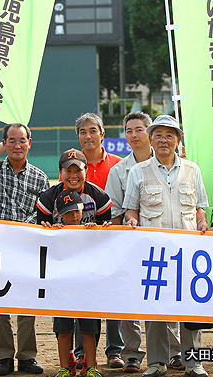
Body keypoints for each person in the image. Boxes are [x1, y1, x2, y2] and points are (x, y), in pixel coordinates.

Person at [123, 115, 209, 377]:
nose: (163, 140)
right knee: (156, 307)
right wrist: (131, 221)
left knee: (190, 307)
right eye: (158, 135)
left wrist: (203, 222)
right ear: (151, 139)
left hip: (187, 252)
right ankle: (156, 362)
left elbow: (200, 209)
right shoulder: (138, 171)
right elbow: (130, 211)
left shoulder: (192, 170)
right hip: (154, 252)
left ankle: (193, 362)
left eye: (169, 135)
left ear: (178, 140)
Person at [105, 112, 183, 373]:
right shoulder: (119, 171)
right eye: (129, 130)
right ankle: (132, 354)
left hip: (169, 244)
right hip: (131, 245)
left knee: (168, 297)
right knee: (130, 300)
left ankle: (174, 351)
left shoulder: (178, 168)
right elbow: (116, 211)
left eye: (139, 129)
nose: (134, 135)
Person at [0, 123, 49, 376]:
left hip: (27, 247)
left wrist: (20, 232)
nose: (17, 145)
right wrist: (2, 232)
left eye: (22, 140)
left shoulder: (40, 177)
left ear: (29, 143)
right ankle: (4, 357)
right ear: (4, 143)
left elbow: (41, 212)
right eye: (12, 140)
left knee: (27, 305)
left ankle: (27, 357)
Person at [74, 112, 124, 368]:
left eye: (93, 130)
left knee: (113, 295)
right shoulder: (72, 165)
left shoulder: (119, 164)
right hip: (80, 245)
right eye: (83, 132)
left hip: (111, 241)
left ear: (102, 134)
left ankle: (115, 351)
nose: (88, 136)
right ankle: (81, 352)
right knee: (81, 296)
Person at [42, 189, 110, 377]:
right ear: (59, 214)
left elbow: (104, 246)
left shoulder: (91, 229)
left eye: (77, 211)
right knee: (63, 331)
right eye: (68, 212)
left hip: (86, 290)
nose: (74, 216)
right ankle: (65, 366)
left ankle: (91, 365)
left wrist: (96, 231)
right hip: (62, 290)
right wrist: (51, 233)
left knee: (89, 331)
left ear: (83, 209)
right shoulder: (55, 231)